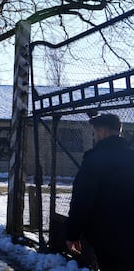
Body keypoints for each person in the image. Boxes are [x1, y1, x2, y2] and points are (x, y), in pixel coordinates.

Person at [65, 113, 134, 270]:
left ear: (102, 132)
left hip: (107, 238)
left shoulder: (94, 160)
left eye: (94, 133)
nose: (94, 138)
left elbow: (82, 200)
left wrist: (72, 234)